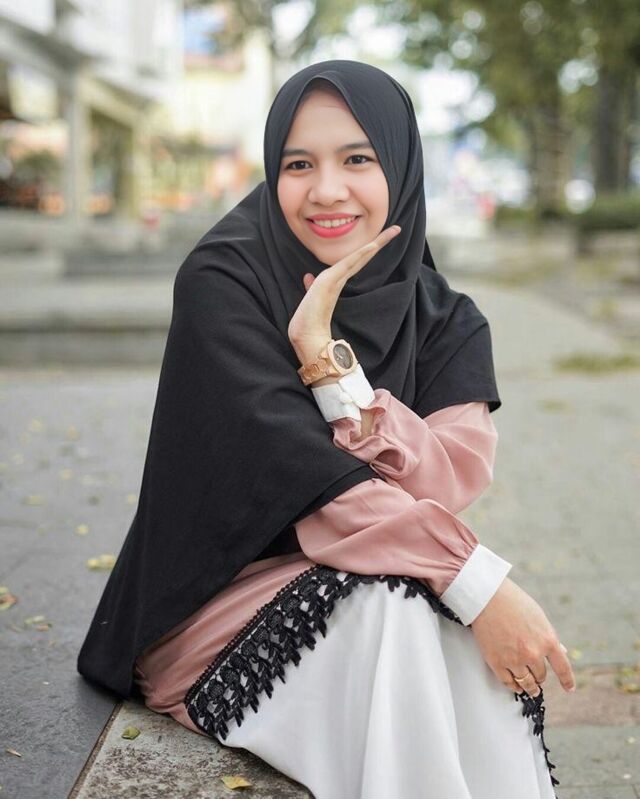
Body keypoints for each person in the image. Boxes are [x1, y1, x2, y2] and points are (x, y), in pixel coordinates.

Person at [77, 60, 576, 799]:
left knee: (436, 637)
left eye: (357, 159)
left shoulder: (447, 319)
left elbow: (443, 485)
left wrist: (328, 363)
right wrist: (477, 581)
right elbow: (308, 483)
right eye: (298, 164)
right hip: (213, 608)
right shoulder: (225, 282)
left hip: (371, 578)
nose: (327, 190)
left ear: (400, 166)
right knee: (398, 611)